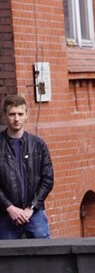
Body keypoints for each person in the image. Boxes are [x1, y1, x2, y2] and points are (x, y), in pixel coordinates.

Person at [0, 94, 54, 239]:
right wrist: (9, 207)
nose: (16, 119)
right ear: (5, 115)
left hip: (34, 213)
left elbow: (47, 179)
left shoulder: (38, 145)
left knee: (46, 256)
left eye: (20, 114)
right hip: (5, 215)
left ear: (26, 116)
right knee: (6, 259)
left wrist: (31, 208)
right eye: (12, 114)